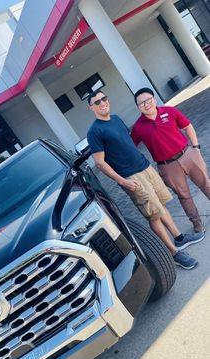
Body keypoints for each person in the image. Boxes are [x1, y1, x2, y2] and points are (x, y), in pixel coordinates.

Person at [86, 89, 201, 270]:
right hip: (130, 176)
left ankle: (179, 238)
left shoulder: (115, 119)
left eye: (104, 98)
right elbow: (100, 163)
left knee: (161, 205)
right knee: (153, 215)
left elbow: (128, 145)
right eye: (97, 102)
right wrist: (123, 182)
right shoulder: (95, 131)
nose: (103, 103)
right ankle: (175, 253)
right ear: (91, 107)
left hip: (145, 167)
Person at [132, 87, 210, 234]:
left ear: (154, 100)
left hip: (188, 154)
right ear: (138, 107)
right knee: (184, 196)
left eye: (148, 100)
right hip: (167, 166)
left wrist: (196, 148)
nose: (146, 104)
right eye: (141, 103)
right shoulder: (138, 127)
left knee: (206, 183)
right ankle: (197, 223)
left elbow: (187, 127)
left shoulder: (169, 111)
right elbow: (130, 147)